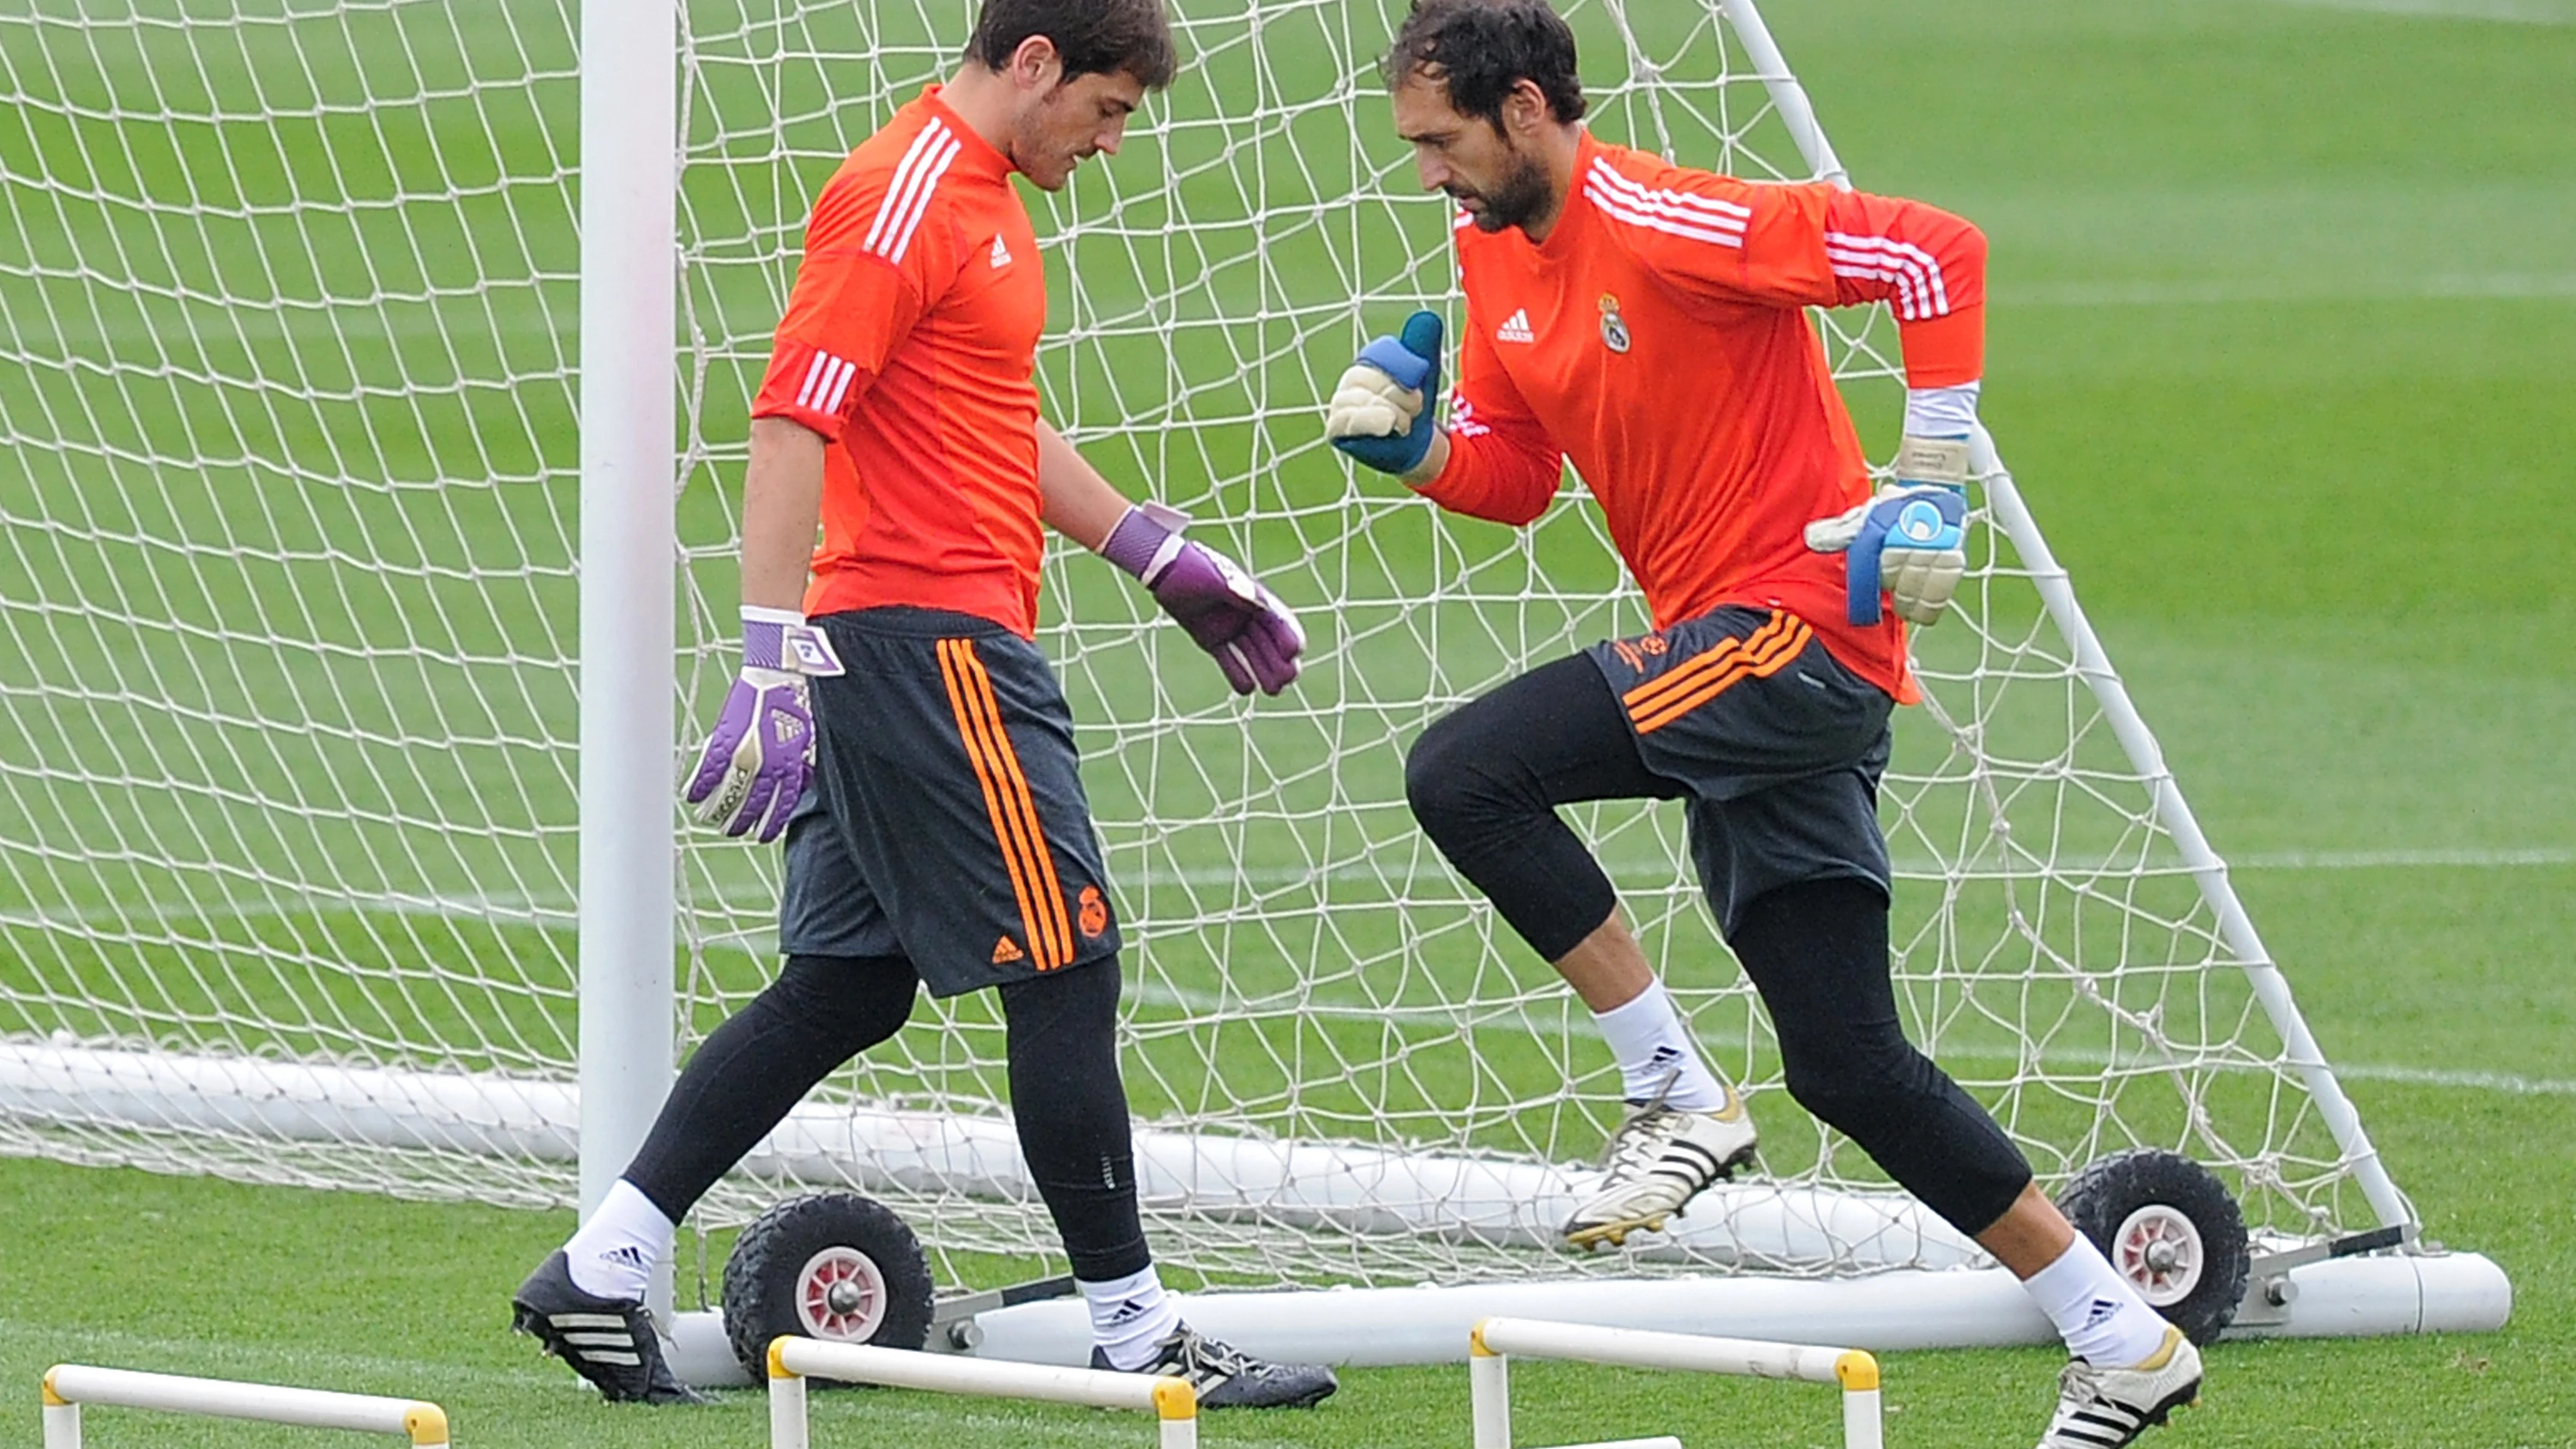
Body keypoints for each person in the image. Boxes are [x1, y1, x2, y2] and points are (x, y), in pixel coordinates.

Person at [1323, 3, 2198, 1444]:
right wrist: (1415, 448)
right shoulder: (1490, 256)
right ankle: (2121, 1337)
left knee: (1465, 774)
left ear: (1528, 106)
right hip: (1741, 670)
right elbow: (1519, 477)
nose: (1427, 173)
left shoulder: (1665, 214)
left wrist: (1929, 463)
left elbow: (1935, 250)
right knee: (1848, 1066)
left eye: (1440, 140)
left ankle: (1673, 1093)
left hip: (1792, 636)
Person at [510, 0, 1334, 1410]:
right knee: (1065, 967)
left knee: (847, 983)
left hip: (904, 642)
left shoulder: (985, 202)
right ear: (1032, 65)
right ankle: (1138, 1334)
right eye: (1108, 109)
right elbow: (791, 417)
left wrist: (1152, 551)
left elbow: (990, 415)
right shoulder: (901, 197)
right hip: (931, 652)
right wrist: (768, 655)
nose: (1114, 142)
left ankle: (603, 1266)